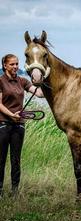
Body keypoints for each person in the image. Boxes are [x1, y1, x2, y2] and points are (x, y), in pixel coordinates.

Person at [0, 54, 43, 198]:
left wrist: (42, 81)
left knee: (16, 159)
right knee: (1, 159)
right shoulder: (0, 81)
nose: (15, 67)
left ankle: (14, 191)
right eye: (12, 64)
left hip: (19, 126)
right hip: (3, 125)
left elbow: (39, 94)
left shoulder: (22, 81)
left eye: (17, 64)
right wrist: (11, 115)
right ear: (5, 65)